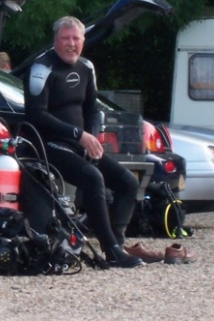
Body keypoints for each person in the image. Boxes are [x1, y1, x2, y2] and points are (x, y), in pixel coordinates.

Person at [23, 16, 147, 268]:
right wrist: (78, 135)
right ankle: (111, 250)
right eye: (65, 38)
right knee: (93, 177)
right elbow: (36, 114)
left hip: (78, 144)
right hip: (49, 144)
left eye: (76, 38)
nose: (71, 44)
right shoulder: (41, 68)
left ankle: (116, 244)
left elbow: (91, 109)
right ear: (55, 40)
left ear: (83, 40)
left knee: (128, 183)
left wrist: (92, 136)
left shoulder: (86, 67)